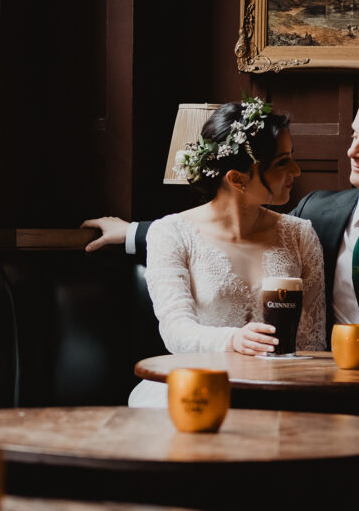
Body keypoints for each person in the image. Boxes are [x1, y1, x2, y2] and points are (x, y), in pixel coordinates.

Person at [84, 77, 359, 364]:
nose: (352, 152)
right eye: (353, 135)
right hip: (325, 386)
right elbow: (234, 230)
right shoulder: (317, 212)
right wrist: (134, 233)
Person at [127, 98, 326, 407]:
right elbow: (176, 330)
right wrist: (232, 340)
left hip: (280, 389)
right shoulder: (171, 233)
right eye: (282, 162)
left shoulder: (300, 234)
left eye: (293, 157)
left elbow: (312, 339)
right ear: (237, 179)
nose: (297, 171)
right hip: (199, 385)